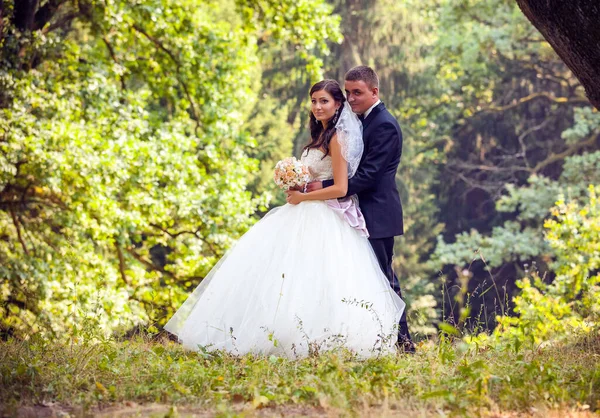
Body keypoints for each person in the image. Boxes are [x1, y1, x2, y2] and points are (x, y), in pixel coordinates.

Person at [164, 79, 404, 358]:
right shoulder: (318, 137)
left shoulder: (338, 138)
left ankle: (327, 340)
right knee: (288, 276)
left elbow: (340, 187)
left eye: (324, 101)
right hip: (302, 213)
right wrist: (295, 183)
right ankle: (278, 333)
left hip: (324, 216)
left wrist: (303, 196)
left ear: (338, 104)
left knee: (322, 277)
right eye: (314, 101)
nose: (318, 106)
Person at [306, 66, 414, 353]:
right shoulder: (356, 120)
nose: (351, 98)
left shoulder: (385, 125)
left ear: (374, 91)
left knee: (384, 280)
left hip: (377, 213)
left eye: (358, 92)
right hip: (353, 213)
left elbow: (369, 176)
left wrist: (323, 185)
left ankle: (405, 345)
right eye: (348, 92)